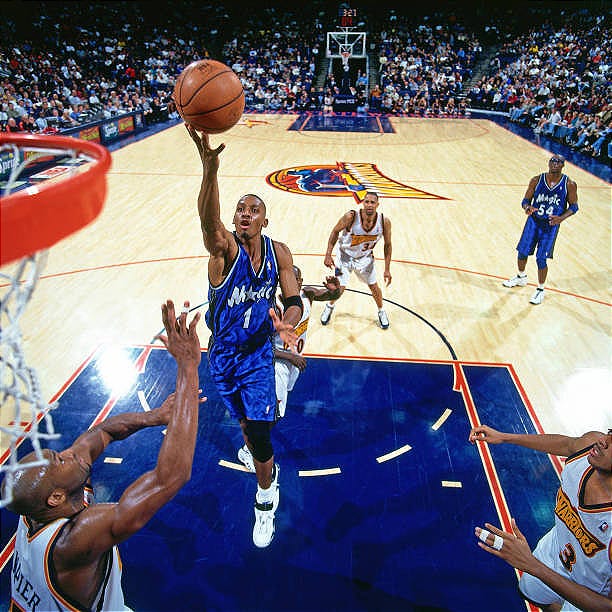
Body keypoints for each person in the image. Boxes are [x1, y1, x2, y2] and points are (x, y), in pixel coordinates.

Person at [3, 299, 203, 611]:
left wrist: (154, 416)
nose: (69, 453)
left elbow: (102, 432)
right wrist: (188, 367)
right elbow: (170, 477)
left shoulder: (37, 503)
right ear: (55, 497)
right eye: (61, 460)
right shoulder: (72, 542)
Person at [187, 125, 301, 548]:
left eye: (253, 209)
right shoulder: (224, 251)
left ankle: (265, 498)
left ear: (264, 220)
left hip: (257, 355)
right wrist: (210, 170)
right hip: (221, 354)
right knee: (244, 423)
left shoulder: (279, 252)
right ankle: (253, 448)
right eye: (240, 210)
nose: (245, 214)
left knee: (260, 432)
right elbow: (207, 222)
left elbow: (293, 299)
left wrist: (288, 323)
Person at [469, 425, 612, 612]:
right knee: (529, 592)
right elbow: (567, 444)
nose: (603, 441)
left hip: (591, 591)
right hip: (555, 549)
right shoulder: (589, 446)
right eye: (611, 433)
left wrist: (532, 565)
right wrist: (505, 437)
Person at [238, 266, 341, 472]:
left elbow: (331, 295)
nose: (293, 285)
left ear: (301, 282)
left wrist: (335, 290)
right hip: (274, 364)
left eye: (297, 280)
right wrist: (290, 357)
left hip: (291, 363)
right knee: (273, 415)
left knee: (276, 410)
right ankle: (248, 449)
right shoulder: (272, 309)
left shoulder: (307, 295)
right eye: (288, 281)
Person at [502, 155, 578, 305]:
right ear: (548, 163)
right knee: (522, 252)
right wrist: (527, 207)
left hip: (550, 225)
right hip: (533, 221)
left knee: (541, 258)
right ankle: (521, 277)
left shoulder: (569, 184)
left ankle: (540, 289)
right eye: (552, 161)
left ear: (563, 165)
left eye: (558, 162)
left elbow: (574, 206)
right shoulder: (536, 180)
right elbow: (525, 200)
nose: (555, 163)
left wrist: (561, 218)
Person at [320, 191, 392, 329]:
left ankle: (381, 311)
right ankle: (329, 306)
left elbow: (388, 245)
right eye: (367, 202)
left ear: (377, 204)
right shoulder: (351, 217)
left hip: (365, 259)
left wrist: (387, 269)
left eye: (372, 202)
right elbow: (335, 231)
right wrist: (328, 254)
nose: (369, 205)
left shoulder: (384, 222)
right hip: (344, 257)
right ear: (362, 203)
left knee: (374, 287)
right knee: (339, 287)